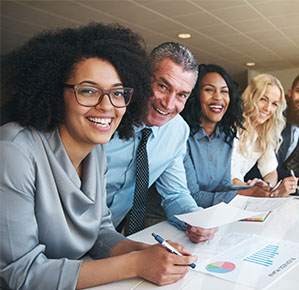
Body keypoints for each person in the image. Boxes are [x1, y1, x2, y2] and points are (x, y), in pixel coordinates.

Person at [0, 23, 197, 290]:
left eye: (117, 93)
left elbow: (99, 231)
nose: (106, 106)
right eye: (88, 90)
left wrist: (145, 252)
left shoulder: (95, 151)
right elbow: (21, 274)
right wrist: (135, 264)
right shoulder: (13, 150)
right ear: (56, 92)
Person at [105, 42, 217, 242]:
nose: (168, 104)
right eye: (163, 86)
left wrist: (195, 218)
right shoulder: (106, 115)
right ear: (143, 78)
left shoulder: (177, 130)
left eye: (181, 95)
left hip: (108, 237)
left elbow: (175, 193)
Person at [181, 64, 272, 208]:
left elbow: (222, 185)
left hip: (208, 215)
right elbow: (192, 196)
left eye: (224, 91)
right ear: (195, 94)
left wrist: (254, 189)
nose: (218, 97)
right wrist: (243, 194)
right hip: (167, 220)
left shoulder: (226, 137)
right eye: (209, 90)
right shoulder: (183, 136)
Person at [231, 73, 297, 196]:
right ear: (251, 97)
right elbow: (231, 179)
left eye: (274, 104)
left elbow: (271, 172)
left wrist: (268, 185)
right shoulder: (231, 128)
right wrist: (252, 188)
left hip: (241, 195)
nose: (268, 108)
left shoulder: (263, 132)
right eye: (263, 99)